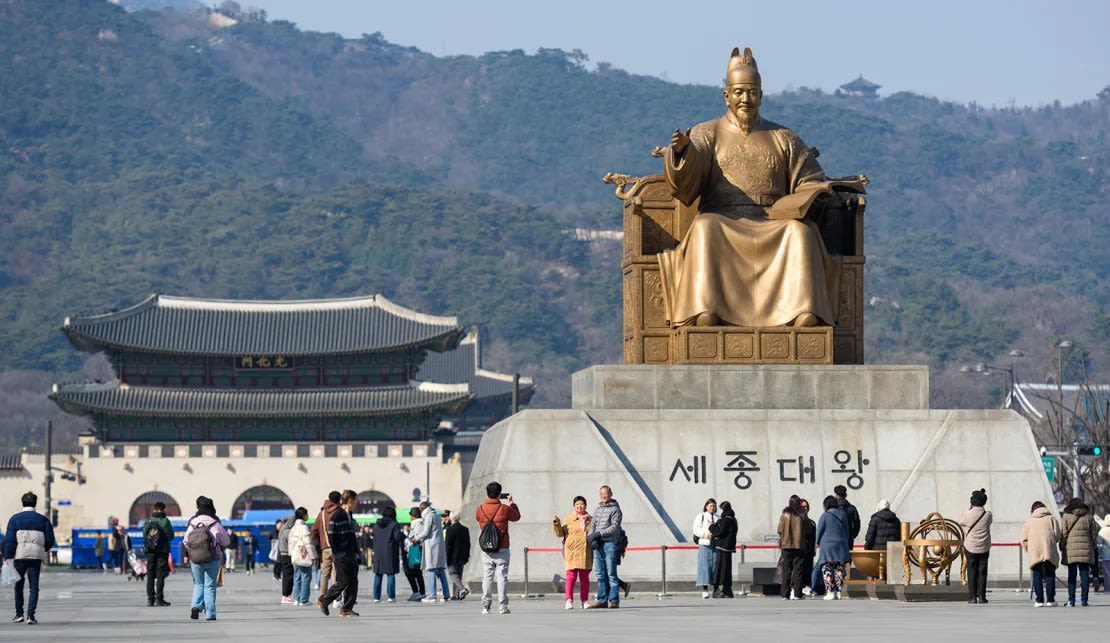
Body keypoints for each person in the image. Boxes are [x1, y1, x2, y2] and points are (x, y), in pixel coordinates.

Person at [658, 46, 844, 329]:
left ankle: (802, 311)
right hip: (723, 218)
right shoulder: (707, 133)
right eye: (739, 92)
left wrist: (816, 190)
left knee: (801, 232)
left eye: (752, 92)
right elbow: (685, 187)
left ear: (761, 95)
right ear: (726, 96)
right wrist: (684, 154)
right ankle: (706, 309)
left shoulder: (783, 137)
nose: (746, 99)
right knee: (705, 227)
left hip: (773, 220)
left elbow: (809, 176)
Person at [3, 491, 55, 625]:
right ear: (35, 503)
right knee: (34, 586)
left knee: (18, 585)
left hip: (19, 556)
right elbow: (50, 540)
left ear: (23, 503)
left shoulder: (14, 519)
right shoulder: (43, 520)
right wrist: (42, 550)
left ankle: (19, 614)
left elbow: (9, 540)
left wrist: (8, 555)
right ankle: (31, 616)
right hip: (36, 557)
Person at [475, 481, 521, 615]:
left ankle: (486, 606)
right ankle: (503, 606)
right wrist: (512, 503)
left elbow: (478, 519)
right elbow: (517, 517)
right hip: (502, 547)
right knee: (502, 577)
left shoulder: (480, 509)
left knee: (487, 576)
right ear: (499, 494)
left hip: (487, 548)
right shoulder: (505, 509)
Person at [184, 495, 230, 621]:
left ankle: (195, 606)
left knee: (198, 584)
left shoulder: (192, 523)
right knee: (210, 586)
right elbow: (226, 541)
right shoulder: (214, 523)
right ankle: (210, 614)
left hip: (196, 560)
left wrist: (191, 552)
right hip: (213, 558)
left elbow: (185, 541)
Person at [316, 489, 360, 617]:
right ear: (350, 501)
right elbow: (331, 535)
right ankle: (324, 600)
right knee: (343, 581)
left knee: (353, 581)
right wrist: (337, 551)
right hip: (341, 553)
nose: (356, 503)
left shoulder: (348, 515)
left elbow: (351, 535)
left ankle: (346, 608)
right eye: (355, 500)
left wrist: (355, 550)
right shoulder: (338, 514)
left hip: (350, 552)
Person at [586, 485, 623, 609]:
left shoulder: (615, 510)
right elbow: (592, 525)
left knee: (611, 574)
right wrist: (592, 538)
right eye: (601, 494)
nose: (603, 496)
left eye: (606, 493)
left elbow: (614, 527)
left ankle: (614, 600)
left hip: (609, 544)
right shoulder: (597, 510)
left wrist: (599, 534)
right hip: (598, 545)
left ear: (611, 494)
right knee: (600, 574)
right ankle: (602, 600)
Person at [553, 495, 593, 610]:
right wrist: (556, 524)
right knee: (571, 576)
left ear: (585, 505)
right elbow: (560, 534)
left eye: (582, 504)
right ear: (573, 506)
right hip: (572, 551)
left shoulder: (591, 519)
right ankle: (569, 600)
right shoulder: (568, 519)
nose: (579, 506)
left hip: (586, 551)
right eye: (577, 504)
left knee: (584, 578)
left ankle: (584, 601)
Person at [1020, 500, 1061, 607]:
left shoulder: (1029, 521)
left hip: (1035, 551)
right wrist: (1051, 542)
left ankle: (1039, 600)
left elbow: (1023, 539)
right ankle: (1051, 600)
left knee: (1037, 574)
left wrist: (1029, 549)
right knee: (1050, 574)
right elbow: (1057, 535)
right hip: (1049, 550)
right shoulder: (1051, 519)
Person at [1060, 496, 1098, 607]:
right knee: (1084, 574)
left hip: (1071, 550)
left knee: (1072, 575)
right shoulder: (1089, 517)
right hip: (1086, 550)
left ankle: (1071, 600)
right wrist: (1093, 547)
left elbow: (1064, 534)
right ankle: (1084, 600)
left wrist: (1062, 546)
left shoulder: (1066, 516)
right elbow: (1093, 535)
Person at [411, 500, 450, 603]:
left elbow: (426, 531)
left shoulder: (428, 516)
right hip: (438, 545)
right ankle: (446, 594)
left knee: (431, 569)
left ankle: (432, 595)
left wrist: (416, 538)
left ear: (422, 509)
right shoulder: (436, 515)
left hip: (431, 546)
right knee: (440, 570)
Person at [960, 488, 992, 604]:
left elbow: (962, 523)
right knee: (982, 572)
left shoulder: (967, 514)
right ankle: (982, 596)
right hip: (984, 546)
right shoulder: (988, 515)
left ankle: (972, 597)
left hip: (970, 546)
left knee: (972, 571)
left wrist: (970, 509)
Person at [816, 495, 850, 600]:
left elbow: (819, 531)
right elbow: (846, 531)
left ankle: (830, 592)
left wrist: (817, 542)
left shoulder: (825, 516)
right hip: (841, 544)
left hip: (827, 545)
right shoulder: (843, 515)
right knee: (839, 567)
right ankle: (839, 591)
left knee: (827, 568)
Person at [142, 500, 174, 607]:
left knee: (150, 574)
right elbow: (171, 536)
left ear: (154, 509)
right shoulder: (165, 521)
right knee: (160, 575)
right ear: (163, 509)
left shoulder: (148, 521)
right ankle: (159, 599)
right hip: (162, 551)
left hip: (150, 551)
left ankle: (150, 599)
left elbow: (144, 535)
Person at [311, 491, 341, 597]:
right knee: (336, 573)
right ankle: (336, 597)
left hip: (325, 548)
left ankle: (322, 597)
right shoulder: (339, 513)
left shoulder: (321, 514)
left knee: (324, 574)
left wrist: (319, 543)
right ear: (339, 500)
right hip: (337, 548)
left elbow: (313, 531)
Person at [371, 506, 404, 603]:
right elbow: (397, 537)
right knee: (390, 573)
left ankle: (376, 597)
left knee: (378, 574)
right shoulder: (394, 525)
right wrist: (403, 535)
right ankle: (391, 596)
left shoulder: (377, 525)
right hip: (389, 552)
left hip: (378, 552)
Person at [777, 495, 805, 600]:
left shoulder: (784, 514)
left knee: (786, 570)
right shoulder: (802, 515)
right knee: (798, 570)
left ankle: (785, 594)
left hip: (786, 546)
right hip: (799, 546)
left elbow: (779, 529)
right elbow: (806, 530)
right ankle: (797, 593)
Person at [708, 500, 737, 598]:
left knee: (719, 568)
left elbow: (719, 532)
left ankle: (716, 589)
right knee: (727, 569)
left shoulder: (724, 520)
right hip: (729, 547)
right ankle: (727, 589)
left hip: (722, 547)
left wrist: (711, 526)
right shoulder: (734, 520)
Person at [288, 507, 315, 606]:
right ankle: (304, 599)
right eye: (307, 514)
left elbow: (290, 543)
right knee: (306, 577)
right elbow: (308, 543)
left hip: (295, 556)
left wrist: (291, 555)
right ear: (304, 515)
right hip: (304, 556)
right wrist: (313, 556)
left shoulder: (293, 528)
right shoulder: (304, 527)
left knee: (297, 577)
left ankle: (296, 598)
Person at [691, 498, 718, 599]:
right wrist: (706, 534)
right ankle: (705, 589)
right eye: (711, 506)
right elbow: (696, 530)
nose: (712, 508)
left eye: (714, 506)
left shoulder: (717, 517)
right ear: (706, 506)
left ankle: (716, 588)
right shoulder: (701, 516)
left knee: (716, 567)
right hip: (704, 544)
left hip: (715, 544)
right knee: (704, 567)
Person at [445, 513, 471, 600]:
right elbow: (468, 544)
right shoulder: (465, 529)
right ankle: (456, 594)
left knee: (452, 574)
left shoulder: (450, 530)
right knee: (458, 575)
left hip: (452, 557)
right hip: (462, 556)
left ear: (451, 518)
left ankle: (462, 589)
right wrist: (467, 556)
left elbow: (448, 546)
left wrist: (447, 558)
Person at [401, 518, 426, 601]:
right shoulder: (421, 523)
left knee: (410, 573)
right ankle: (421, 592)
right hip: (417, 551)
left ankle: (417, 592)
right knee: (418, 574)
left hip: (414, 552)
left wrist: (408, 542)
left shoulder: (416, 524)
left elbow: (414, 538)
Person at [799, 498, 817, 597]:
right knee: (799, 570)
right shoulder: (797, 521)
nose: (805, 508)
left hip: (809, 551)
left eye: (806, 506)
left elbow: (814, 538)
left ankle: (807, 587)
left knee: (808, 569)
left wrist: (814, 550)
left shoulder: (812, 523)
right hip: (800, 550)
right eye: (803, 507)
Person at [277, 509, 296, 604]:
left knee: (286, 575)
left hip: (282, 554)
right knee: (288, 576)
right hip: (287, 555)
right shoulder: (288, 531)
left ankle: (286, 595)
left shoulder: (282, 530)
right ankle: (286, 595)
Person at [1098, 515, 1110, 594]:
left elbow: (1099, 541)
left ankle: (1108, 589)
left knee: (1107, 573)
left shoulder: (1102, 531)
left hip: (1106, 555)